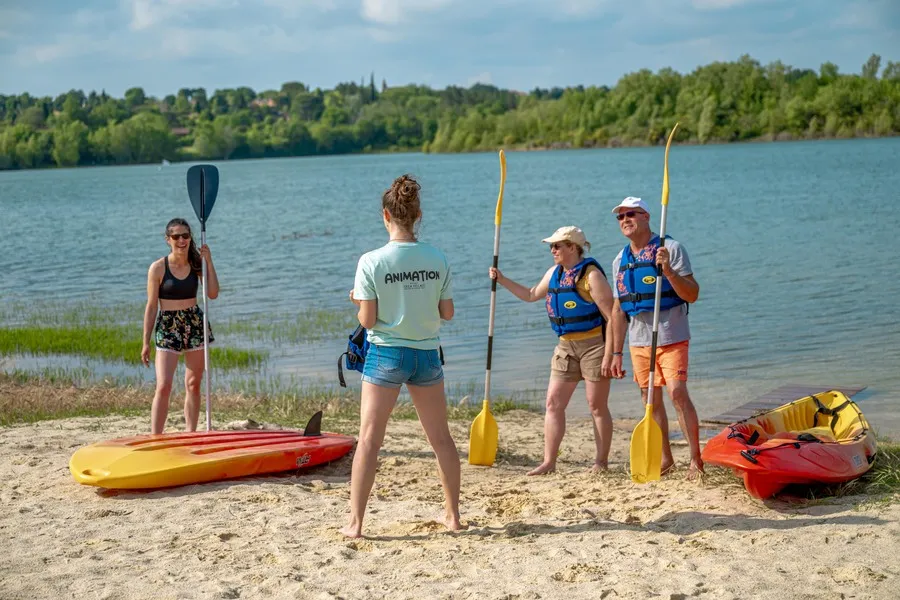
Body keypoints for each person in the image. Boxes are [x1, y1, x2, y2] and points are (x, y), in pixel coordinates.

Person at [340, 174, 464, 539]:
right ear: (418, 214)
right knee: (441, 439)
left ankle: (356, 523)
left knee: (369, 440)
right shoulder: (437, 257)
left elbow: (368, 319)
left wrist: (357, 301)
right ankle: (453, 516)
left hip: (386, 353)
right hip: (426, 354)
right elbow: (447, 313)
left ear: (385, 215)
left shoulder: (371, 261)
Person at [489, 226, 616, 476]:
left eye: (557, 245)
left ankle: (601, 462)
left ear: (573, 247)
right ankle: (549, 462)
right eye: (551, 246)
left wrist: (612, 354)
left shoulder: (591, 276)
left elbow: (613, 317)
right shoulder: (553, 274)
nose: (553, 250)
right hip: (565, 346)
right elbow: (530, 294)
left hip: (594, 345)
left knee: (596, 406)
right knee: (553, 403)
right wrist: (501, 279)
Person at [608, 196, 704, 478]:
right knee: (650, 400)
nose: (625, 220)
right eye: (620, 216)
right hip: (638, 340)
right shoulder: (619, 260)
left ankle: (696, 459)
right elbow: (617, 308)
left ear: (647, 216)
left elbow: (693, 294)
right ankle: (666, 459)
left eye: (631, 214)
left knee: (677, 393)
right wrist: (615, 352)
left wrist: (669, 272)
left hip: (671, 334)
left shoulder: (671, 249)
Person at [141, 218, 219, 435]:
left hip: (194, 322)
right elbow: (151, 306)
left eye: (185, 235)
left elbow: (212, 293)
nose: (182, 240)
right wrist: (145, 341)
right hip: (168, 325)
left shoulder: (196, 264)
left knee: (193, 384)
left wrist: (209, 262)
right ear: (168, 240)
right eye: (176, 236)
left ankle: (191, 433)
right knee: (164, 385)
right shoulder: (157, 268)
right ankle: (156, 436)